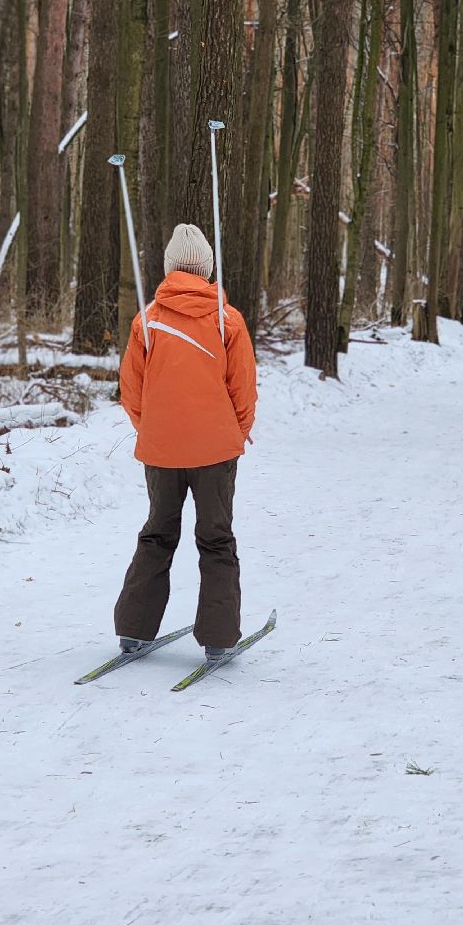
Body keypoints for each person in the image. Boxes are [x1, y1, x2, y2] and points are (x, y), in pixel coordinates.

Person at [114, 224, 258, 663]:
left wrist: (154, 429)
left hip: (161, 453)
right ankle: (218, 639)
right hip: (216, 452)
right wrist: (233, 433)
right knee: (216, 538)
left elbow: (131, 390)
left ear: (170, 268)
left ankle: (134, 632)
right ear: (207, 268)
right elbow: (243, 390)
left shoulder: (147, 321)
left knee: (157, 534)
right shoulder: (225, 319)